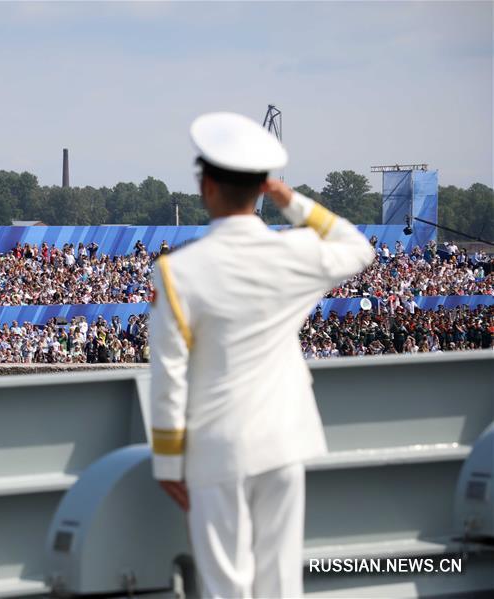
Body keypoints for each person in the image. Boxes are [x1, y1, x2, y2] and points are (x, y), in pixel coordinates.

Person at [149, 113, 374, 598]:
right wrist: (291, 201)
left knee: (227, 584)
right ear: (262, 187)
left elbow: (168, 374)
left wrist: (168, 462)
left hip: (217, 445)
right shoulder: (296, 253)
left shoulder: (177, 272)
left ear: (206, 185)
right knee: (280, 582)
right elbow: (357, 248)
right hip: (285, 438)